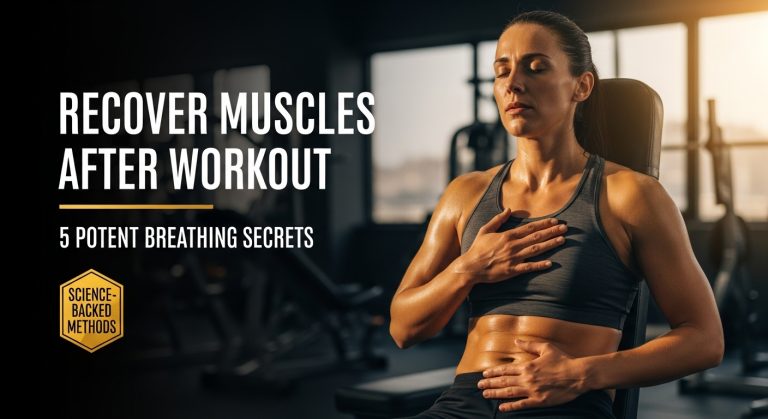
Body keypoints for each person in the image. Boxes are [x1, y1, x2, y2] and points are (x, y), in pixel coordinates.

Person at [389, 10, 724, 419]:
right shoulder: (465, 194)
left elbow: (705, 340)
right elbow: (403, 329)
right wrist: (470, 267)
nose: (514, 83)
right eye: (502, 70)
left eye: (536, 67)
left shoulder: (630, 195)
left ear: (581, 86)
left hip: (566, 404)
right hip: (462, 405)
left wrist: (580, 375)